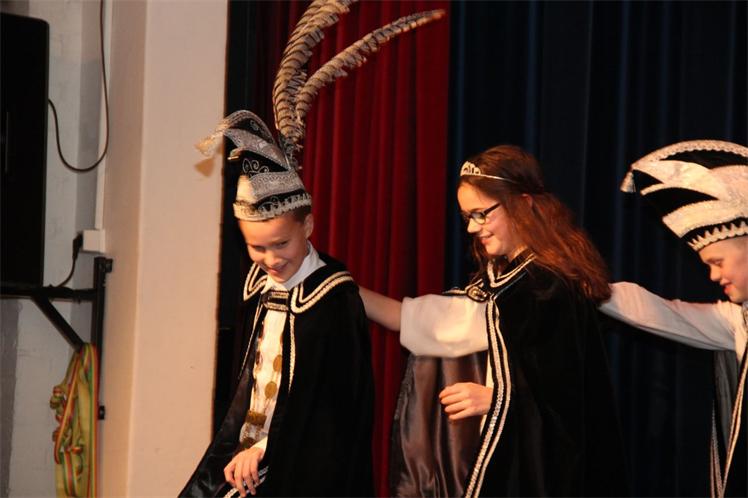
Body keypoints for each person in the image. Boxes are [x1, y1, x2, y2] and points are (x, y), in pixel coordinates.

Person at [179, 2, 444, 496]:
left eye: (280, 243)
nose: (270, 259)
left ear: (309, 225)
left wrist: (268, 450)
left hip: (300, 473)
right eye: (256, 248)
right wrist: (243, 446)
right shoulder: (257, 285)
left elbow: (332, 413)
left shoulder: (332, 297)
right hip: (247, 465)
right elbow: (246, 387)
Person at [361, 145, 629, 497]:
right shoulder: (505, 284)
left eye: (481, 214)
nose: (473, 227)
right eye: (467, 217)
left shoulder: (547, 287)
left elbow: (569, 398)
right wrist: (338, 285)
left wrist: (498, 399)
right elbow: (420, 320)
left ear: (522, 203)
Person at [599, 139, 748, 498]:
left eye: (717, 262)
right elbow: (661, 314)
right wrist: (580, 282)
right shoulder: (739, 320)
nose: (713, 276)